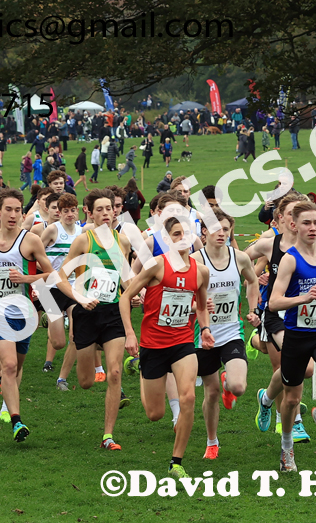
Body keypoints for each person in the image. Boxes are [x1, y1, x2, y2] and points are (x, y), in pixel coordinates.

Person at [0, 188, 79, 442]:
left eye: (18, 210)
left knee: (16, 365)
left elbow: (52, 275)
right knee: (9, 367)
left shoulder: (31, 241)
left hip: (25, 313)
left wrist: (27, 278)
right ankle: (17, 420)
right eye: (8, 209)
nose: (13, 215)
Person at [121, 213, 214, 477]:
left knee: (188, 398)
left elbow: (201, 305)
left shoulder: (201, 271)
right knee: (154, 413)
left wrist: (204, 328)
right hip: (152, 344)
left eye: (186, 233)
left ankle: (176, 462)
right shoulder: (157, 266)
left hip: (183, 341)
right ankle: (140, 368)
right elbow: (125, 297)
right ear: (167, 239)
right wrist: (129, 334)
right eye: (176, 234)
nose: (182, 238)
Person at [256, 201, 316, 472]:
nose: (313, 228)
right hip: (296, 335)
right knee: (292, 399)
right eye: (306, 223)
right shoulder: (290, 259)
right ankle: (286, 449)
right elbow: (273, 302)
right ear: (293, 225)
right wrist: (304, 298)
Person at [56, 190, 134, 450]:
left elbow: (126, 277)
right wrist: (79, 298)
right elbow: (60, 276)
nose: (105, 214)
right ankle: (88, 356)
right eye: (99, 209)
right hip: (86, 313)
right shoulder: (83, 241)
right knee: (86, 381)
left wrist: (134, 292)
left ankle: (108, 436)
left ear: (114, 212)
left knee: (114, 372)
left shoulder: (122, 242)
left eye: (108, 209)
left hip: (113, 313)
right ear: (89, 212)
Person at [245, 193, 314, 442]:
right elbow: (241, 259)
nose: (297, 220)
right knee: (290, 366)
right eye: (292, 214)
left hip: (303, 314)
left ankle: (265, 399)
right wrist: (254, 278)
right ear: (281, 218)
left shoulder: (312, 244)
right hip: (275, 313)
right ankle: (291, 422)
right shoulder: (270, 242)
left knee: (298, 368)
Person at [192, 209, 261, 459]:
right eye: (215, 228)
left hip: (232, 332)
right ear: (203, 231)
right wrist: (198, 306)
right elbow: (184, 296)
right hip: (204, 336)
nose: (221, 233)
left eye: (225, 229)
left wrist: (253, 309)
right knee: (210, 394)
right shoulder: (195, 261)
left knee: (239, 386)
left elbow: (252, 281)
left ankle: (228, 385)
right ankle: (212, 441)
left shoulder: (240, 258)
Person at [39, 193, 82, 374]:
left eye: (73, 210)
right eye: (65, 211)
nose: (70, 214)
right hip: (50, 288)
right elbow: (35, 252)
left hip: (72, 286)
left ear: (77, 211)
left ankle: (63, 376)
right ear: (60, 212)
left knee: (76, 333)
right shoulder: (52, 230)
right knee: (58, 342)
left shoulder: (82, 232)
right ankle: (50, 320)